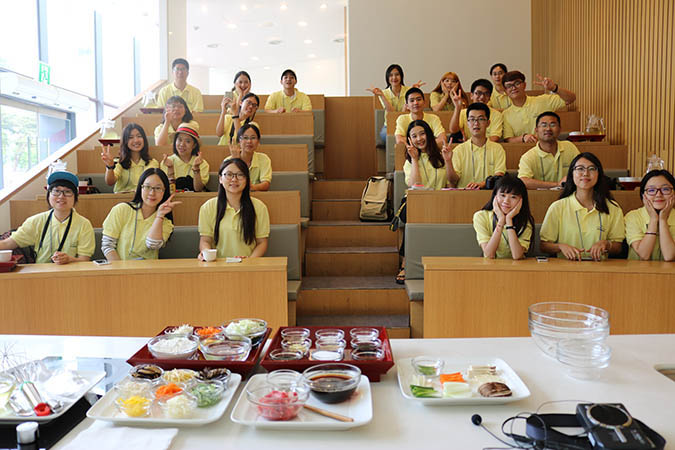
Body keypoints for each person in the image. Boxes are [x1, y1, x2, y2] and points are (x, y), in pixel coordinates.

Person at [395, 120, 451, 283]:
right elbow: (415, 184)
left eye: (422, 134)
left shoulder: (441, 156)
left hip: (440, 200)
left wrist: (448, 161)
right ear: (409, 140)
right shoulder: (409, 161)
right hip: (417, 202)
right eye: (414, 136)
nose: (419, 138)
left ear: (429, 135)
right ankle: (405, 264)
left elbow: (451, 182)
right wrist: (414, 160)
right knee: (412, 215)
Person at [540, 152, 624, 261]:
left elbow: (618, 247)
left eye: (592, 169)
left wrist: (606, 244)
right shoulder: (558, 207)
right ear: (572, 174)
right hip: (566, 268)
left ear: (599, 174)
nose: (585, 173)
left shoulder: (613, 208)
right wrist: (560, 246)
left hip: (600, 268)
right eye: (580, 169)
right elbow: (544, 245)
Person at [0, 171, 94, 264]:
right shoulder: (35, 221)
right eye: (56, 191)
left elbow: (84, 260)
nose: (61, 196)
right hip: (41, 274)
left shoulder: (84, 224)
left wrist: (69, 259)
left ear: (75, 197)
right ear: (49, 195)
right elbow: (9, 243)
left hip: (71, 274)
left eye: (67, 192)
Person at [198, 158, 270, 259]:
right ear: (220, 179)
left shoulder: (259, 207)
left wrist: (250, 261)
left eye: (240, 175)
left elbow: (262, 243)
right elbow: (205, 240)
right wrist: (206, 253)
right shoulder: (208, 207)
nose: (234, 179)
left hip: (248, 267)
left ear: (247, 180)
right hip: (218, 266)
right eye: (229, 174)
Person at [102, 168, 178, 260]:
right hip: (119, 269)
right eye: (147, 187)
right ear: (140, 188)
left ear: (164, 191)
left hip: (149, 271)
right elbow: (107, 246)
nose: (152, 193)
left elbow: (153, 245)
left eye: (158, 188)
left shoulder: (166, 222)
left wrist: (159, 216)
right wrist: (122, 271)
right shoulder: (121, 209)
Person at [501, 71, 576, 143]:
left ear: (524, 85)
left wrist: (554, 88)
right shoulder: (506, 114)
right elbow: (508, 139)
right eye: (509, 86)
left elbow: (571, 99)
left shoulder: (543, 100)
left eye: (517, 83)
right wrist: (523, 138)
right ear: (505, 91)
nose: (513, 88)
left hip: (548, 147)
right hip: (522, 151)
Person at [473, 174, 534, 259]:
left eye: (513, 197)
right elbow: (489, 254)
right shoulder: (481, 216)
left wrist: (509, 221)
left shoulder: (525, 220)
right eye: (502, 195)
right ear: (495, 196)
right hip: (490, 267)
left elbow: (517, 255)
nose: (506, 201)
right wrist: (501, 221)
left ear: (521, 201)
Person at [447, 103, 506, 189]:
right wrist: (448, 161)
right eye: (472, 119)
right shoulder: (459, 150)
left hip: (490, 196)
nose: (476, 123)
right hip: (464, 196)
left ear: (488, 123)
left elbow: (499, 176)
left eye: (481, 119)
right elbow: (453, 181)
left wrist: (482, 184)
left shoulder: (498, 149)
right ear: (467, 123)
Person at [518, 112, 580, 189]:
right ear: (536, 130)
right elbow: (523, 181)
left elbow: (581, 169)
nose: (548, 129)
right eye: (544, 125)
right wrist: (557, 184)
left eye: (553, 125)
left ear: (560, 129)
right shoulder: (528, 157)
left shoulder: (569, 147)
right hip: (541, 198)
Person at [625, 169, 675, 261]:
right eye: (651, 190)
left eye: (665, 189)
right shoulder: (633, 217)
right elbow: (644, 255)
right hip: (638, 273)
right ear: (643, 195)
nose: (659, 195)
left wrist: (663, 220)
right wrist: (653, 219)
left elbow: (669, 256)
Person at [366, 64, 419, 142]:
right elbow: (391, 113)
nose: (394, 78)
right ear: (387, 78)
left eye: (397, 74)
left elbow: (405, 113)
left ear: (401, 76)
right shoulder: (383, 93)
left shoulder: (408, 90)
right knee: (386, 136)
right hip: (389, 126)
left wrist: (414, 92)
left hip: (406, 124)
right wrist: (382, 96)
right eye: (391, 75)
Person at [101, 124, 159, 193]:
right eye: (131, 137)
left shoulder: (152, 163)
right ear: (125, 141)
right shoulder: (119, 162)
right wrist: (110, 166)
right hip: (122, 200)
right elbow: (110, 182)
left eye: (139, 136)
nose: (136, 140)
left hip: (144, 200)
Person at [448, 79, 504, 143]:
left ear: (489, 97)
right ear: (471, 95)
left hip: (487, 147)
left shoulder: (497, 115)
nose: (482, 97)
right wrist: (457, 108)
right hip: (467, 148)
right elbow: (453, 130)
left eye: (486, 93)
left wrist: (472, 143)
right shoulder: (463, 113)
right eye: (479, 93)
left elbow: (495, 138)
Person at [160, 123, 209, 192]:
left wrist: (196, 168)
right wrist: (170, 169)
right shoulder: (167, 162)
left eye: (188, 141)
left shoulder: (202, 164)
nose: (182, 144)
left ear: (194, 145)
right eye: (179, 140)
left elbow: (198, 189)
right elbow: (167, 190)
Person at [226, 124, 272, 191]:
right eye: (245, 138)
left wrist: (252, 187)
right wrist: (236, 161)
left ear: (258, 141)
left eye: (253, 138)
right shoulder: (228, 161)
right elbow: (228, 186)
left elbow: (266, 184)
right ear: (239, 141)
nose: (249, 141)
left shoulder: (264, 159)